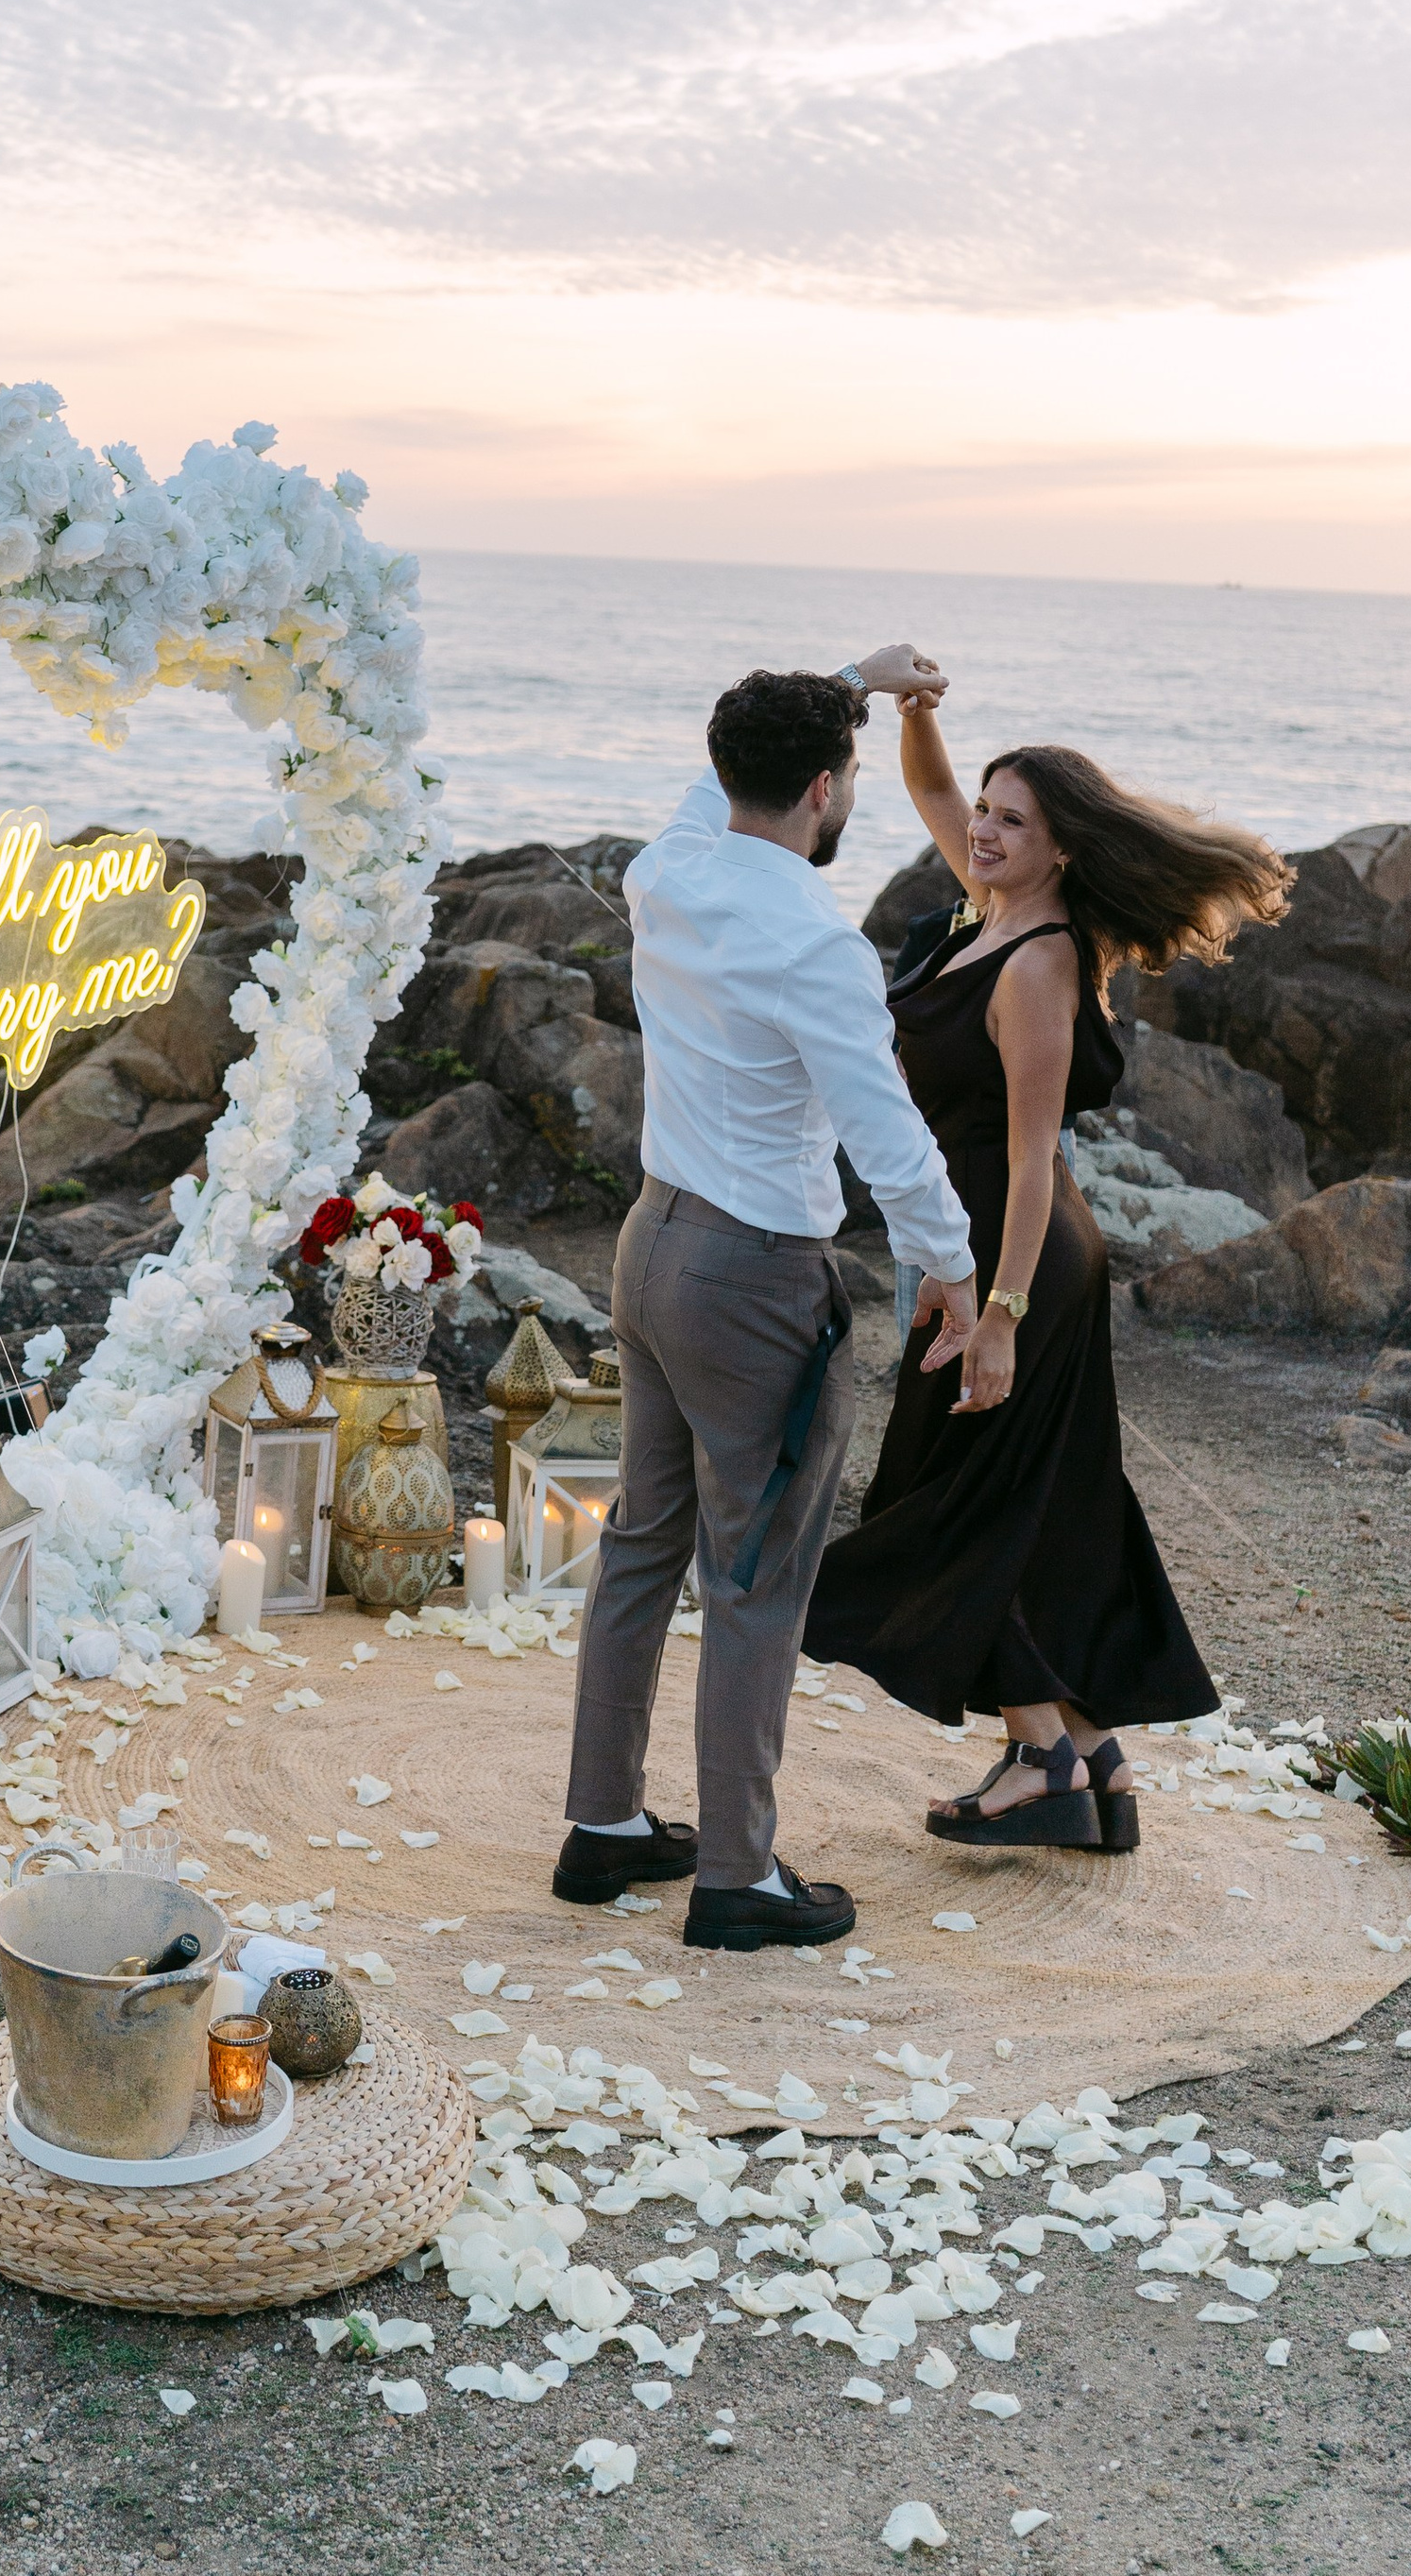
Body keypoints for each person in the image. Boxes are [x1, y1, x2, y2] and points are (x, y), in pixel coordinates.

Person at [804, 699, 1292, 1849]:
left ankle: (1041, 1758)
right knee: (1037, 1497)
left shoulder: (1036, 960)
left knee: (950, 1497)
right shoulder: (993, 909)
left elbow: (1030, 1160)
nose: (980, 829)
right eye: (983, 808)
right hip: (985, 1239)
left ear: (1060, 845)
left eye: (1010, 820)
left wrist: (1002, 1316)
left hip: (1014, 1251)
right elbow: (929, 794)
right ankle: (1092, 1751)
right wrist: (911, 709)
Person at [557, 652, 980, 1950]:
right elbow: (887, 1134)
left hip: (648, 1249)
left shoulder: (668, 869)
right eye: (850, 773)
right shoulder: (815, 939)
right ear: (823, 788)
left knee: (644, 1543)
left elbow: (710, 788)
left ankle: (604, 1828)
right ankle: (738, 1875)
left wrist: (852, 681)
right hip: (749, 1279)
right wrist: (957, 1276)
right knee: (755, 1576)